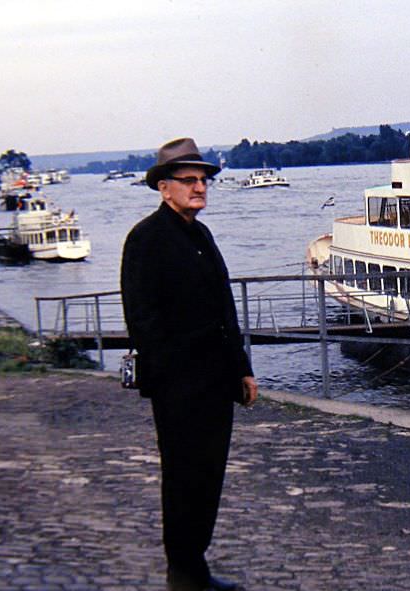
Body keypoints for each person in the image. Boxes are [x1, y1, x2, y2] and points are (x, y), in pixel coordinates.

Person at [121, 137, 258, 591]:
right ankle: (182, 574)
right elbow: (142, 319)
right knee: (183, 478)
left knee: (209, 476)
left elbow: (224, 308)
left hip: (217, 382)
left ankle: (195, 567)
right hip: (179, 387)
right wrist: (171, 379)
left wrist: (242, 368)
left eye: (204, 180)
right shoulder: (145, 239)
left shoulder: (201, 234)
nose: (200, 188)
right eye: (189, 180)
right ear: (164, 188)